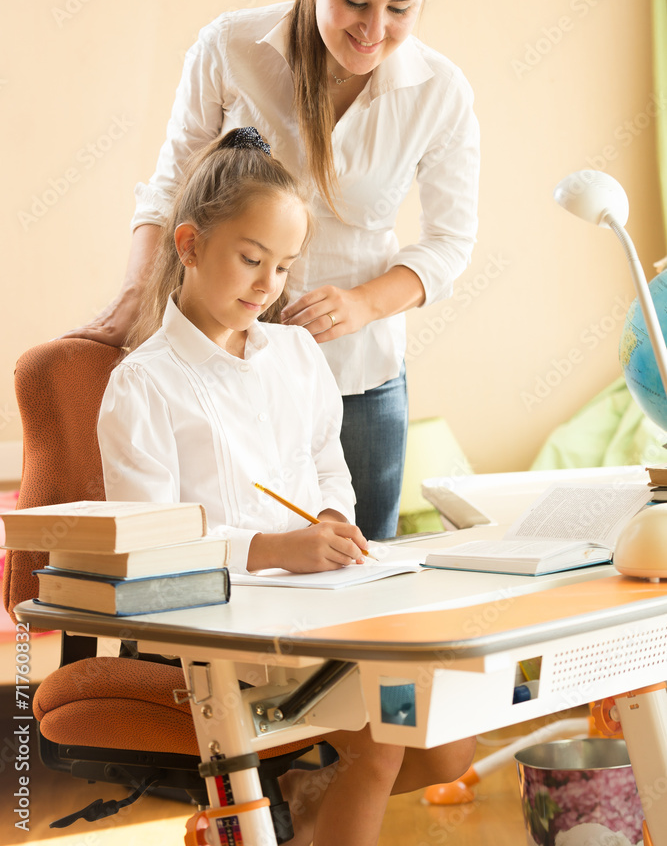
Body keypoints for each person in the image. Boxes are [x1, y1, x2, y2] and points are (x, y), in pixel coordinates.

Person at [96, 128, 476, 846]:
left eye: (283, 266)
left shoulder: (297, 355)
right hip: (217, 623)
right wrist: (272, 549)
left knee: (451, 737)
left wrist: (331, 519)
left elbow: (328, 467)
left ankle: (303, 794)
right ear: (188, 245)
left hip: (322, 606)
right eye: (249, 260)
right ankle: (307, 796)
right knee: (383, 732)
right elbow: (151, 552)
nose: (267, 286)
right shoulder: (140, 387)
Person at [72, 0, 481, 542]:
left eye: (400, 8)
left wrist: (362, 305)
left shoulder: (440, 93)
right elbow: (170, 187)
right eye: (353, 0)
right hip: (217, 363)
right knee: (229, 558)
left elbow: (449, 243)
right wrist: (131, 299)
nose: (372, 30)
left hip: (356, 378)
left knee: (354, 585)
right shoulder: (230, 49)